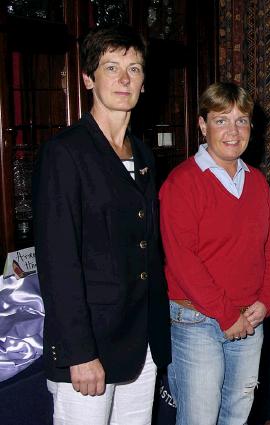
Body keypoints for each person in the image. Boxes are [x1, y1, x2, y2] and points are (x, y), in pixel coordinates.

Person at [33, 25, 171, 424]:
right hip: (89, 345)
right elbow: (58, 264)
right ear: (89, 78)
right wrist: (80, 352)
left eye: (135, 68)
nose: (124, 79)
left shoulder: (143, 154)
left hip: (140, 340)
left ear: (145, 82)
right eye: (112, 67)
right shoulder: (65, 153)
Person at [159, 82, 270, 425]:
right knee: (199, 418)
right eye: (221, 120)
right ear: (202, 124)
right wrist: (227, 315)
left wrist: (266, 300)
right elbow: (183, 260)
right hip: (197, 319)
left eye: (241, 120)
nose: (232, 130)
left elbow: (269, 249)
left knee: (237, 416)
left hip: (250, 318)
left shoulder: (257, 182)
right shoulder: (182, 182)